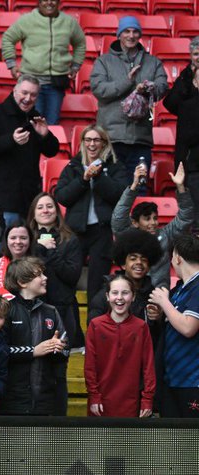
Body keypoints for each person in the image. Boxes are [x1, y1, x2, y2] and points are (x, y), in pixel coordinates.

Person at [53, 125, 129, 307]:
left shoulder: (114, 166)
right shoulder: (73, 165)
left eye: (97, 140)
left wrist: (99, 177)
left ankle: (93, 328)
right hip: (75, 232)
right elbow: (62, 196)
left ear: (104, 143)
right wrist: (84, 179)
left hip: (102, 232)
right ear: (82, 143)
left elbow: (120, 193)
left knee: (97, 284)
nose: (92, 144)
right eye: (88, 140)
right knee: (68, 279)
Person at [89, 17, 167, 186]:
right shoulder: (104, 62)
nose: (131, 35)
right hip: (111, 139)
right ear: (119, 34)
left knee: (138, 188)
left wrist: (148, 88)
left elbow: (162, 87)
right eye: (126, 31)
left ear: (140, 35)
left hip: (140, 139)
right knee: (111, 189)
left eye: (135, 31)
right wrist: (127, 81)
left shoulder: (153, 62)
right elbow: (99, 89)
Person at [0, 76, 60, 227]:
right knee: (4, 248)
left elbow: (52, 151)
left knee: (31, 248)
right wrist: (11, 140)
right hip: (1, 202)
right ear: (14, 91)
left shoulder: (35, 117)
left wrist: (45, 135)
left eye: (33, 95)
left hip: (29, 201)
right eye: (24, 93)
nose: (28, 98)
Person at [0, 257, 68, 416]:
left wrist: (58, 348)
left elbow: (66, 351)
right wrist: (33, 351)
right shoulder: (6, 311)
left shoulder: (51, 311)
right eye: (39, 275)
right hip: (11, 401)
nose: (45, 278)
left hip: (45, 401)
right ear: (22, 282)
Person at [0, 0, 85, 125]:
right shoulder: (27, 20)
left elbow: (80, 43)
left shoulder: (70, 22)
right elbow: (8, 38)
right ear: (39, 2)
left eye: (53, 0)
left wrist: (76, 66)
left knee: (52, 123)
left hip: (57, 83)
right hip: (30, 82)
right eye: (45, 0)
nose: (49, 3)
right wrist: (11, 64)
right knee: (32, 122)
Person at [112, 162, 193, 289]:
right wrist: (134, 186)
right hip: (130, 293)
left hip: (158, 296)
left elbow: (185, 218)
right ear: (135, 222)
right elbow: (118, 218)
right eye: (147, 219)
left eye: (155, 218)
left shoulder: (165, 235)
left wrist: (180, 187)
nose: (153, 223)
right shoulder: (129, 237)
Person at [85, 273, 155, 418]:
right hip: (100, 403)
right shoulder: (96, 325)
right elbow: (90, 366)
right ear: (107, 296)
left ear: (133, 297)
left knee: (128, 441)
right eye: (114, 293)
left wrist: (147, 399)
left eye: (125, 293)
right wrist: (94, 395)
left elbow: (148, 366)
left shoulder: (141, 327)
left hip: (132, 403)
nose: (119, 298)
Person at [147, 234, 199, 419]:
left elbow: (188, 328)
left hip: (193, 381)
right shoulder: (181, 288)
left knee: (192, 441)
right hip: (173, 378)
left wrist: (164, 302)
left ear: (177, 257)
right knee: (174, 441)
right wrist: (161, 314)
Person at [26, 191, 83, 346]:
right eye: (40, 207)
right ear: (33, 213)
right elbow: (24, 273)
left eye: (50, 206)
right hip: (32, 310)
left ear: (57, 212)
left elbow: (72, 276)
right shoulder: (25, 239)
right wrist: (38, 248)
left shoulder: (71, 240)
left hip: (63, 310)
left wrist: (52, 252)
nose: (45, 210)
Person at [91, 228, 160, 321]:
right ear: (123, 264)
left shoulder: (153, 296)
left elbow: (159, 333)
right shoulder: (107, 294)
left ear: (148, 265)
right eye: (133, 258)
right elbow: (94, 327)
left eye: (143, 259)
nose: (139, 262)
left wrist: (158, 319)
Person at [162, 38, 199, 179]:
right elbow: (170, 104)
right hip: (187, 151)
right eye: (196, 54)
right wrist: (187, 78)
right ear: (190, 56)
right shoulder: (185, 78)